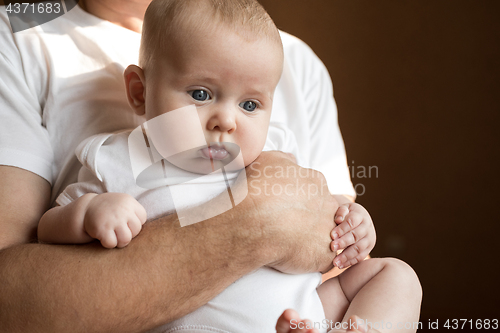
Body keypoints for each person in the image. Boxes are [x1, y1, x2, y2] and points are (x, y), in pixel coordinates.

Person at [0, 0, 421, 332]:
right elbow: (41, 236)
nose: (227, 120)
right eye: (200, 94)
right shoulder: (116, 156)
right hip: (186, 322)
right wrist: (89, 214)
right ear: (139, 93)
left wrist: (354, 224)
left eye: (251, 105)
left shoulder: (284, 105)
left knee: (395, 277)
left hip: (300, 314)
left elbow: (330, 236)